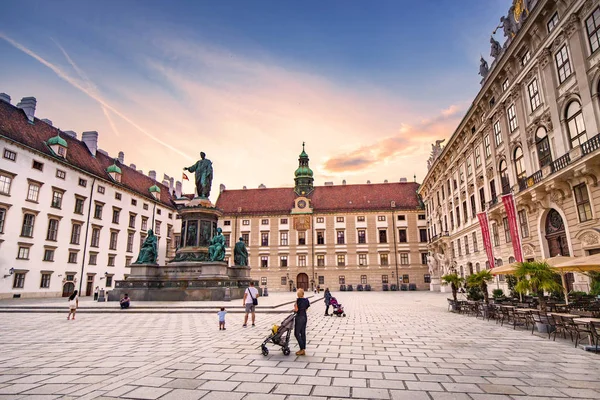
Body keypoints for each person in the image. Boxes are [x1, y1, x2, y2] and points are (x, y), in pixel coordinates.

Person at [293, 288, 310, 356]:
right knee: (303, 333)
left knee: (296, 333)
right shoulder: (306, 300)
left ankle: (302, 348)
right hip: (304, 317)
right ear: (303, 293)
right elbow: (306, 309)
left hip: (299, 317)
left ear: (298, 294)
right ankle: (303, 349)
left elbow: (296, 309)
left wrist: (295, 306)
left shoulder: (298, 300)